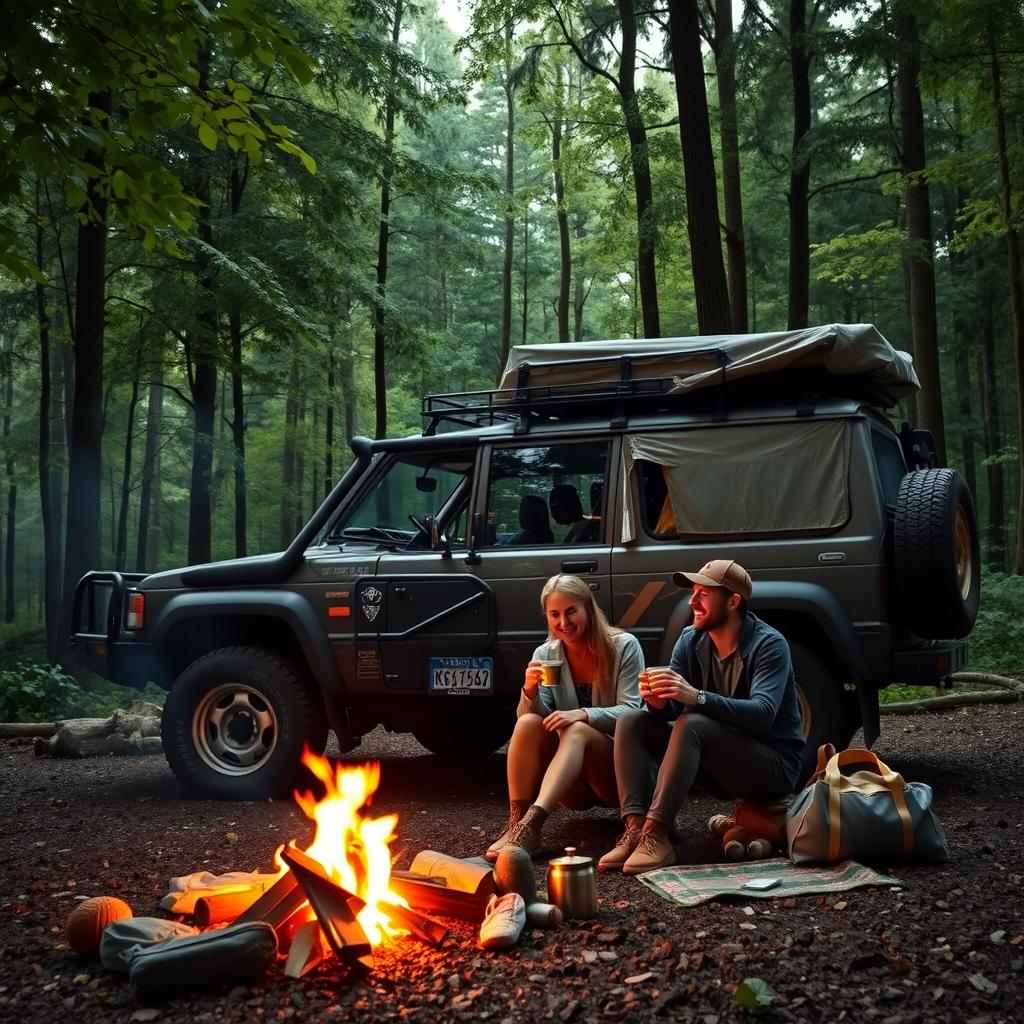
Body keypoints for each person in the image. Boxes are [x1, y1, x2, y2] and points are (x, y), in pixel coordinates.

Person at [598, 560, 805, 874]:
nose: (692, 601)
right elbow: (672, 709)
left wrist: (696, 696)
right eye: (693, 592)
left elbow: (763, 715)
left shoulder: (769, 645)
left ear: (733, 601)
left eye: (704, 594)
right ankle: (636, 830)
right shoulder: (690, 639)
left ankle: (657, 835)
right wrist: (656, 701)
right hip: (717, 764)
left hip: (771, 769)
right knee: (631, 720)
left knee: (693, 723)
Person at [485, 574, 643, 860]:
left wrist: (582, 714)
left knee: (576, 729)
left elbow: (632, 709)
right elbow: (540, 720)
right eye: (554, 614)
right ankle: (517, 824)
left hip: (617, 775)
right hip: (573, 785)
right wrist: (529, 692)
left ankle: (532, 824)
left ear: (587, 608)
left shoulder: (623, 646)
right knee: (528, 722)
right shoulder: (547, 653)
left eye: (571, 611)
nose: (564, 623)